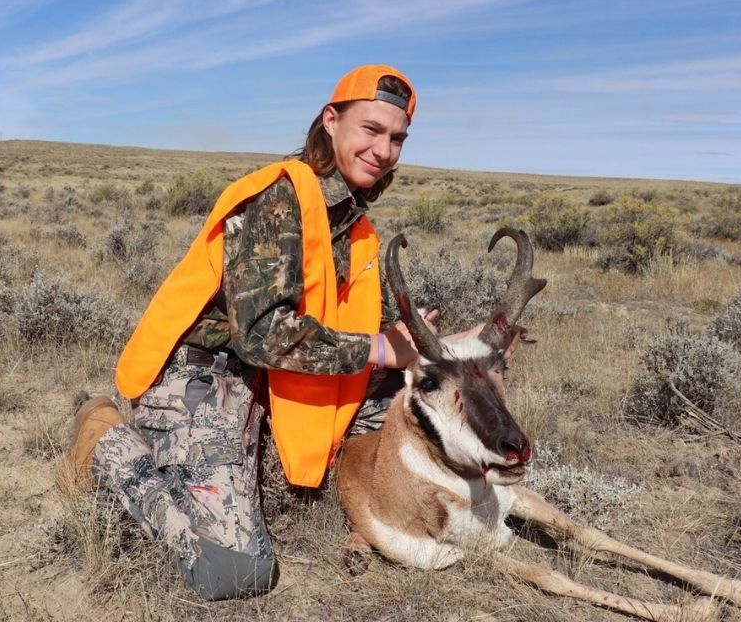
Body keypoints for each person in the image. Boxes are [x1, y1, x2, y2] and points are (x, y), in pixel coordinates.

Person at [59, 64, 453, 600]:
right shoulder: (281, 197)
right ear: (331, 121)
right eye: (371, 130)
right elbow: (262, 334)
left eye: (397, 138)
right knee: (234, 570)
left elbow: (377, 326)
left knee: (410, 397)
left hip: (272, 379)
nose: (383, 150)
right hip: (206, 373)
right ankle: (104, 439)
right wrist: (380, 349)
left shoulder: (356, 226)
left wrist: (445, 345)